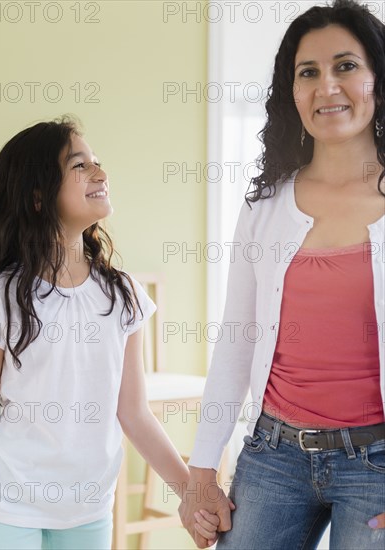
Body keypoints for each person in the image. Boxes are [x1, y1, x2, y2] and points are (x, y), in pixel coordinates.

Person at [179, 0, 385, 548]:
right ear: (291, 92)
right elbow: (237, 338)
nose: (326, 87)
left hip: (378, 468)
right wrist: (202, 471)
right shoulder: (267, 205)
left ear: (377, 81)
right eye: (308, 72)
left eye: (346, 66)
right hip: (274, 456)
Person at [0, 117, 219, 549]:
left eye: (98, 162)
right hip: (8, 506)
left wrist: (190, 493)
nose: (100, 173)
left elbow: (135, 412)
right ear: (38, 196)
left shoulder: (123, 295)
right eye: (80, 165)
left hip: (89, 508)